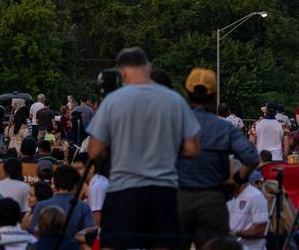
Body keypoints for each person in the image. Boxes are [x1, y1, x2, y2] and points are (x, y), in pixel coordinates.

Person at [87, 47, 201, 250]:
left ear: (123, 72)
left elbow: (95, 151)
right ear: (148, 67)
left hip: (124, 188)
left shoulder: (113, 100)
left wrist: (120, 148)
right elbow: (192, 149)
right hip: (164, 190)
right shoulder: (175, 100)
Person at [178, 68, 260, 248]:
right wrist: (237, 178)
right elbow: (252, 157)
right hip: (212, 200)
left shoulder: (174, 124)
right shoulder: (223, 127)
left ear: (187, 93)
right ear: (213, 95)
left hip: (178, 199)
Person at [27, 164, 94, 240]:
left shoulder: (41, 205)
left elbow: (34, 233)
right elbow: (90, 231)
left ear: (55, 182)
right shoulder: (83, 206)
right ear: (75, 185)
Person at [227, 165, 269, 250]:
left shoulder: (255, 196)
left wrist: (235, 233)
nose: (227, 182)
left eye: (229, 178)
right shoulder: (229, 196)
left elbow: (261, 231)